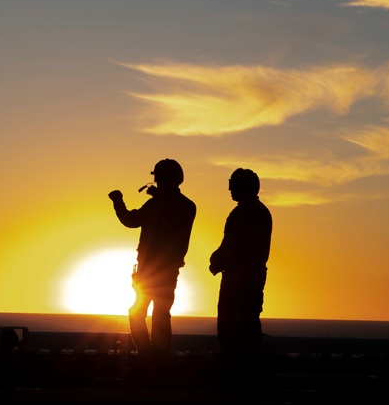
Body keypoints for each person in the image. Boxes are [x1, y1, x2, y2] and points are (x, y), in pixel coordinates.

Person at [108, 158, 196, 359]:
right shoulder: (173, 204)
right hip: (156, 271)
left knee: (152, 314)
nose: (157, 183)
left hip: (157, 271)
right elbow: (133, 220)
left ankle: (152, 355)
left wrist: (118, 203)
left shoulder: (174, 206)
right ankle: (153, 355)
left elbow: (133, 220)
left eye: (160, 179)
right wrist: (119, 203)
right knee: (154, 313)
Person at [210, 168, 272, 389]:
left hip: (245, 279)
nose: (230, 190)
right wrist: (217, 258)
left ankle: (244, 374)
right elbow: (228, 243)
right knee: (229, 324)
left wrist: (221, 260)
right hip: (235, 278)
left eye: (234, 185)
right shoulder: (241, 213)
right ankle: (234, 370)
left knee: (244, 325)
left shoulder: (254, 213)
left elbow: (242, 247)